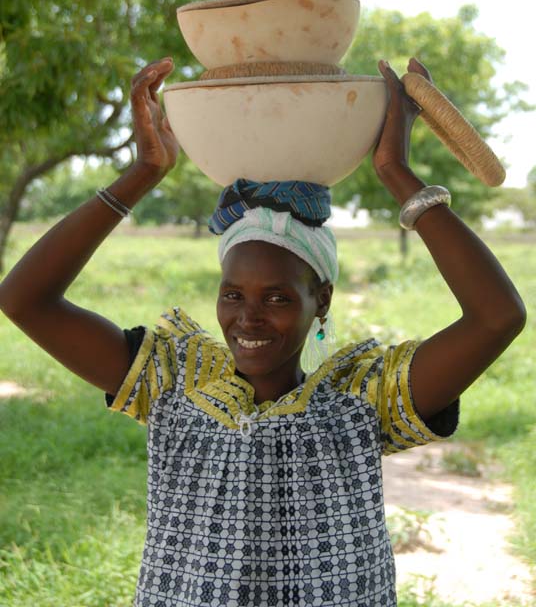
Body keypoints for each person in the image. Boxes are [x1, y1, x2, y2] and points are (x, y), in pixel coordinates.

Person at [0, 56, 526, 607]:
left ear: (320, 300)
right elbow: (23, 300)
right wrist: (144, 173)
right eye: (233, 294)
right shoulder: (174, 380)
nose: (247, 318)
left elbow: (498, 317)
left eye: (277, 297)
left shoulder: (363, 400)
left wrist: (397, 173)